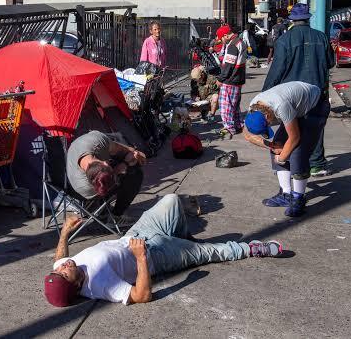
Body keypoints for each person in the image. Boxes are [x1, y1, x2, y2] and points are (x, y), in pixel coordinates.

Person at [43, 194, 283, 307]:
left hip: (136, 233)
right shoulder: (100, 286)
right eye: (64, 273)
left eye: (60, 270)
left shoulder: (64, 270)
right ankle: (252, 249)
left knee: (170, 200)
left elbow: (59, 258)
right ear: (75, 286)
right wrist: (141, 259)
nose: (63, 266)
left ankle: (184, 240)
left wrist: (64, 233)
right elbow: (142, 296)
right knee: (210, 251)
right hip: (156, 254)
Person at [262, 3, 335, 178]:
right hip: (317, 92)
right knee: (315, 128)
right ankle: (317, 164)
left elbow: (276, 71)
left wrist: (264, 95)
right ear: (308, 18)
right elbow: (330, 62)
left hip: (292, 95)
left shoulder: (284, 40)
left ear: (292, 20)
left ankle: (293, 164)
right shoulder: (321, 37)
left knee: (291, 131)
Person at [243, 81, 330, 217]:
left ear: (267, 116)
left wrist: (282, 157)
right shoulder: (253, 107)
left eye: (269, 124)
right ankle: (286, 194)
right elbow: (247, 135)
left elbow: (294, 137)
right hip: (297, 107)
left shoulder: (280, 106)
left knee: (298, 152)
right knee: (278, 144)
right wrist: (271, 146)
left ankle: (298, 199)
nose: (271, 125)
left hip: (316, 107)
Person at [66, 131, 147, 223]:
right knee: (135, 175)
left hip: (87, 145)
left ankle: (100, 209)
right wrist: (125, 164)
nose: (105, 162)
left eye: (104, 164)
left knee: (118, 138)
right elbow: (103, 185)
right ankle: (116, 216)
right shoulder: (85, 186)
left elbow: (119, 148)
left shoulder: (97, 141)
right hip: (82, 192)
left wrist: (135, 152)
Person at [216, 25, 246, 137]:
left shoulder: (232, 45)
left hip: (230, 80)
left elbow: (229, 65)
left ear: (225, 36)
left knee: (226, 105)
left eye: (221, 39)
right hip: (238, 78)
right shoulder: (239, 42)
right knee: (235, 105)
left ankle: (229, 128)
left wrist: (220, 79)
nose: (221, 41)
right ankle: (237, 124)